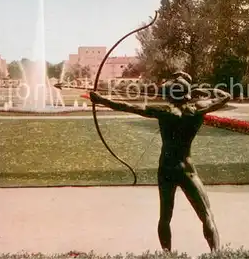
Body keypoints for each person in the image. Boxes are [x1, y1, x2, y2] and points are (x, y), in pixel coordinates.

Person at [89, 71, 231, 252]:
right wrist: (198, 88)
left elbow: (127, 106)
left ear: (170, 95)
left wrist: (102, 100)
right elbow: (224, 96)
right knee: (206, 215)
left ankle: (167, 255)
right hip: (187, 169)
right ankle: (216, 254)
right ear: (187, 93)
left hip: (166, 169)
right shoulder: (198, 109)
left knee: (165, 217)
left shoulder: (164, 112)